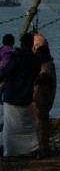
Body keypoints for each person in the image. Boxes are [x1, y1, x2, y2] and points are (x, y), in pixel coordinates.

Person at [1, 33, 40, 161]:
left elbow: (6, 72)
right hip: (26, 95)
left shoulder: (17, 59)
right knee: (27, 124)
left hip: (12, 95)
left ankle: (9, 153)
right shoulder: (35, 60)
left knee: (9, 126)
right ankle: (32, 149)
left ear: (22, 44)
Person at [32, 40, 56, 159]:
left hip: (42, 98)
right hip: (42, 99)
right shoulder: (48, 65)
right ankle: (43, 148)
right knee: (41, 122)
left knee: (40, 123)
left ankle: (42, 148)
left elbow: (43, 80)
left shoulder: (47, 67)